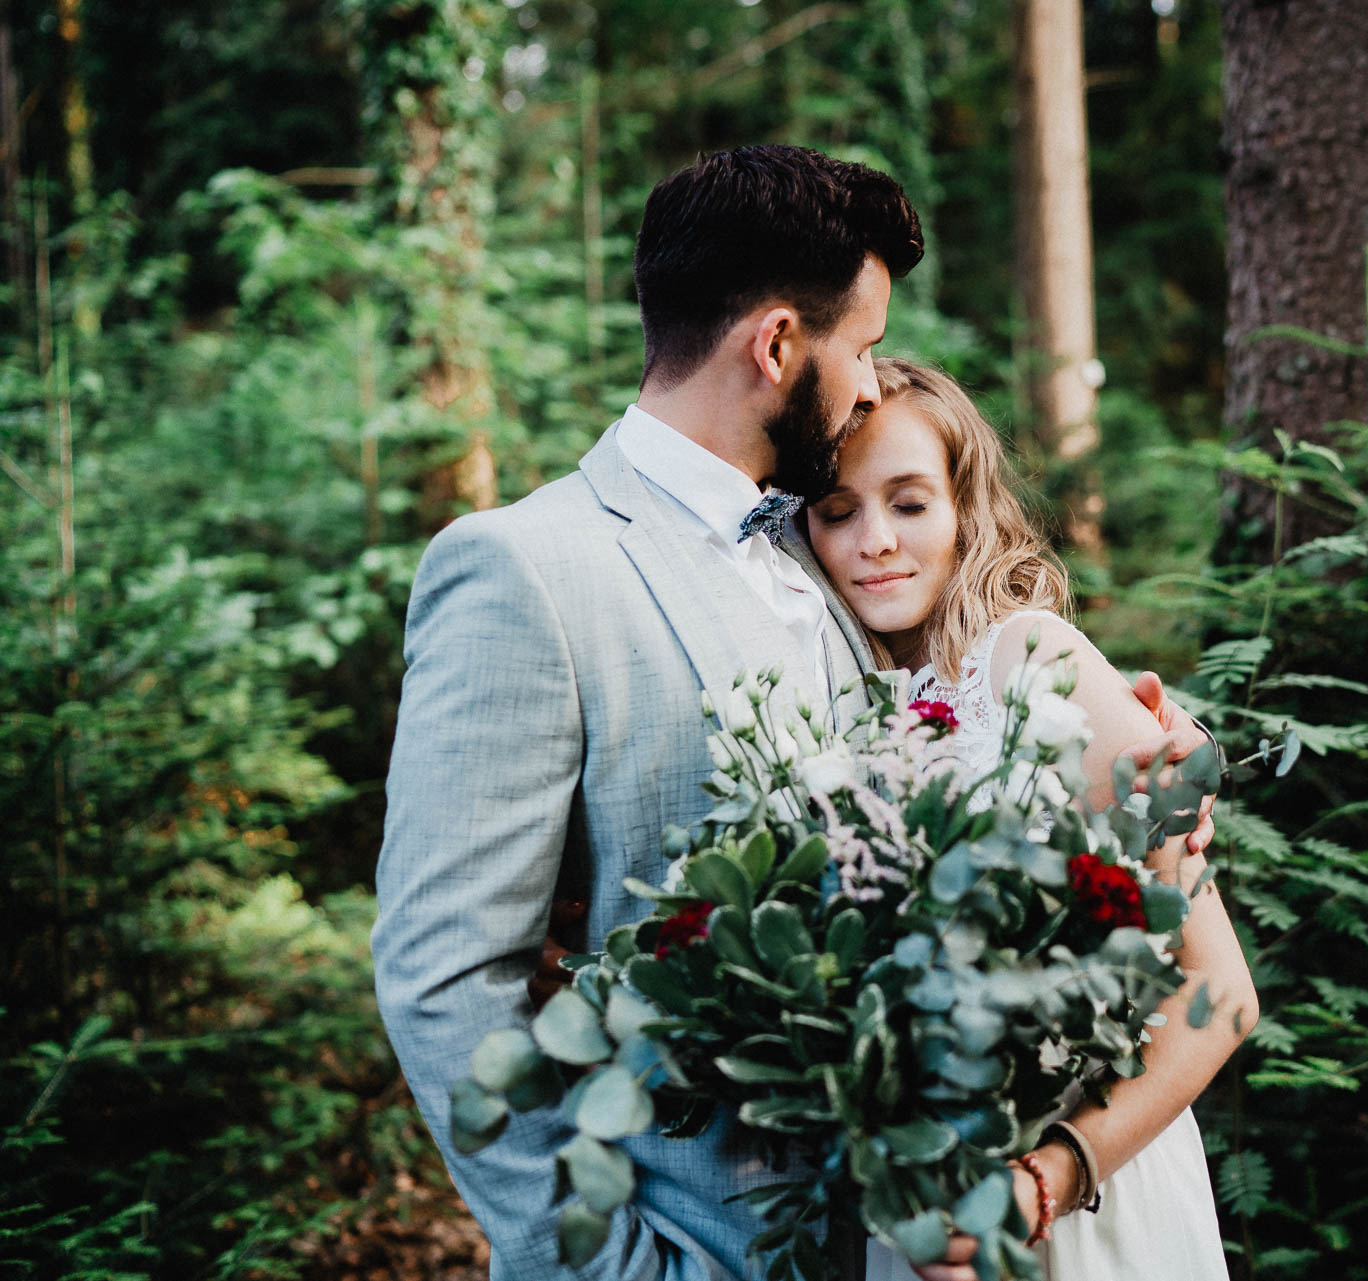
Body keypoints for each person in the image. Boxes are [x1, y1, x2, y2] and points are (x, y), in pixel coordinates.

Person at [372, 145, 1213, 1281]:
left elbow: (970, 718)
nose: (871, 385)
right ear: (775, 345)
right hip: (706, 1244)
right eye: (860, 348)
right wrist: (614, 1268)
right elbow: (444, 972)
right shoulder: (529, 569)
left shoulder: (821, 545)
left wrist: (1152, 753)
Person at [806, 358, 1257, 1281]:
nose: (874, 541)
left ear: (967, 511)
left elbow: (1222, 992)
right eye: (837, 510)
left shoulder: (1027, 659)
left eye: (910, 502)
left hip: (1079, 1199)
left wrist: (1045, 1179)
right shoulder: (837, 713)